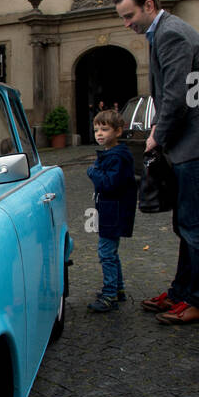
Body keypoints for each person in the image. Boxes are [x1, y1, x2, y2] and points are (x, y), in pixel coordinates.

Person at [114, 0, 199, 324]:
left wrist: (157, 137)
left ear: (149, 5)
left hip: (196, 145)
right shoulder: (163, 32)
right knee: (187, 224)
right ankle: (181, 292)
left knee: (197, 226)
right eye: (122, 17)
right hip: (191, 143)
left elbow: (176, 96)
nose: (126, 24)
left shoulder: (170, 34)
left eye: (129, 15)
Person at [85, 109, 137, 312]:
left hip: (113, 212)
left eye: (104, 129)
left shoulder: (117, 157)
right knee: (111, 252)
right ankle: (118, 289)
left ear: (117, 131)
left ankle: (109, 295)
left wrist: (92, 171)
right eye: (96, 129)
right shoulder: (111, 154)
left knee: (106, 252)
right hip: (109, 210)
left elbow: (109, 183)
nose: (99, 133)